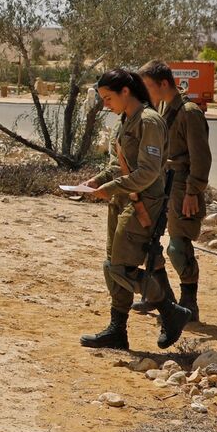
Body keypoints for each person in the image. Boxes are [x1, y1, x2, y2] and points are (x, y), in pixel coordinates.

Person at [80, 68, 194, 351]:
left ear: (126, 92)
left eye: (108, 98)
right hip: (122, 201)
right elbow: (118, 165)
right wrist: (97, 181)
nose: (106, 105)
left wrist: (111, 187)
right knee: (112, 265)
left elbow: (149, 172)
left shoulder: (149, 121)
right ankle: (117, 331)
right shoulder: (124, 121)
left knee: (119, 267)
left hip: (143, 203)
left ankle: (170, 310)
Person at [132, 60, 211, 322]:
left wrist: (192, 192)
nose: (146, 92)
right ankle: (164, 300)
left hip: (182, 184)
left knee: (178, 247)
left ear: (163, 83)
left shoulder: (189, 112)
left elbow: (201, 157)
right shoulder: (163, 108)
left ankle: (189, 304)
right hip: (163, 181)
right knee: (151, 243)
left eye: (148, 86)